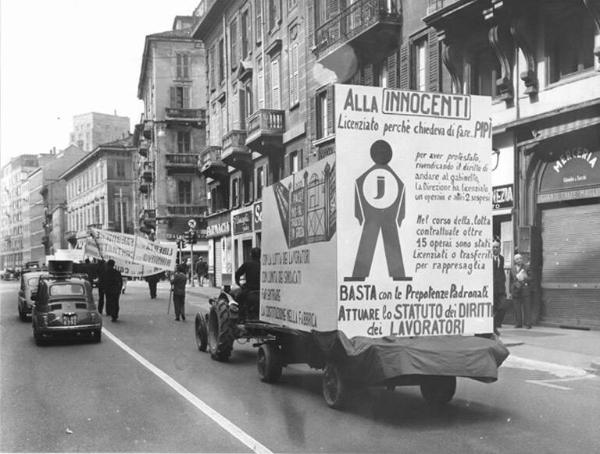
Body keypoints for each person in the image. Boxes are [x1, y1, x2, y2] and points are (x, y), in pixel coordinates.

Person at [234, 247, 261, 318]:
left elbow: (237, 273)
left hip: (249, 289)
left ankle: (240, 317)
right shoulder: (263, 265)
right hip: (260, 289)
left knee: (237, 299)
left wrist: (238, 283)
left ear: (251, 255)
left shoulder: (247, 264)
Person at [510, 253, 532, 329]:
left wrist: (524, 278)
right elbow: (511, 280)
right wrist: (511, 291)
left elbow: (531, 278)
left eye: (520, 258)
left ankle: (528, 323)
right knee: (517, 307)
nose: (519, 260)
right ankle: (518, 323)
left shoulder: (526, 267)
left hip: (524, 289)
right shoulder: (512, 268)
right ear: (514, 261)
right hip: (516, 290)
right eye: (517, 259)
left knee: (527, 307)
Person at [492, 239, 506, 335]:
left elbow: (501, 272)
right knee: (492, 309)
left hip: (500, 288)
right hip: (492, 288)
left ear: (500, 248)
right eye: (493, 247)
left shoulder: (501, 258)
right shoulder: (488, 258)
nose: (495, 249)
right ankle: (493, 328)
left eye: (497, 247)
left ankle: (495, 325)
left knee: (502, 307)